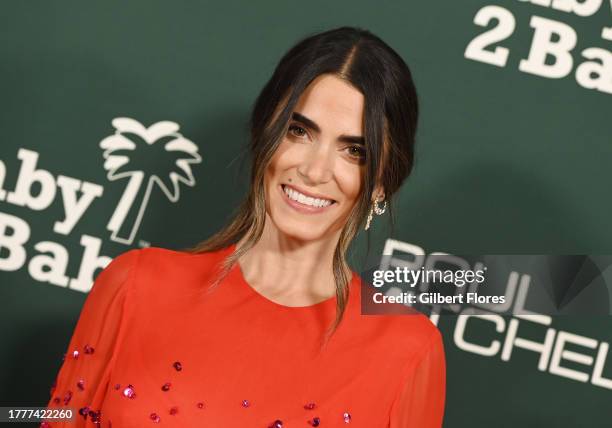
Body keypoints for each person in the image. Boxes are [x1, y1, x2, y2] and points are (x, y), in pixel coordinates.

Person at [43, 26, 445, 427]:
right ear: (264, 134)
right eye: (298, 131)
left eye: (354, 151)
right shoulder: (135, 287)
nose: (314, 170)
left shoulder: (405, 350)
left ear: (380, 183)